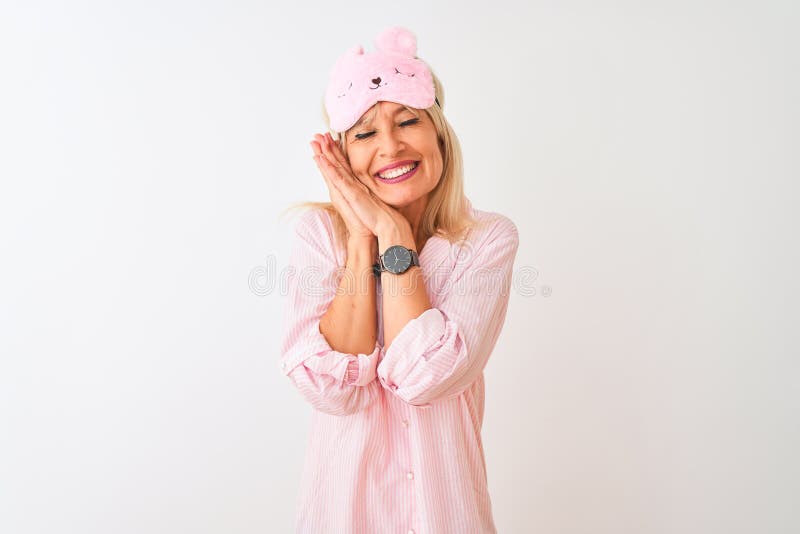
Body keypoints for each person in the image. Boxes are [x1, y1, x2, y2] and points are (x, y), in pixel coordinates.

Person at [278, 25, 519, 534]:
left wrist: (393, 233)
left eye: (407, 121)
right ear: (343, 155)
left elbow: (427, 378)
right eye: (365, 133)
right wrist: (364, 238)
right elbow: (330, 390)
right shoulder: (319, 235)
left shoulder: (487, 241)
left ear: (437, 134)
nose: (389, 145)